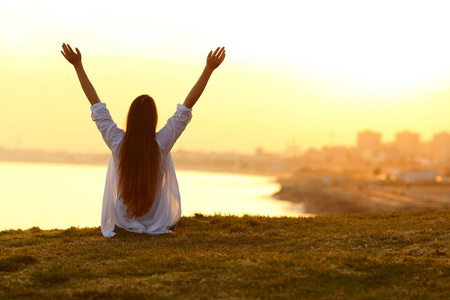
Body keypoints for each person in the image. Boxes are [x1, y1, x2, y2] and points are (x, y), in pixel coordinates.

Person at [61, 43, 226, 237]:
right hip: (158, 221)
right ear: (153, 119)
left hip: (123, 222)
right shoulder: (161, 143)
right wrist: (208, 69)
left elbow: (96, 104)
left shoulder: (118, 142)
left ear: (130, 117)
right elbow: (186, 107)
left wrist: (78, 66)